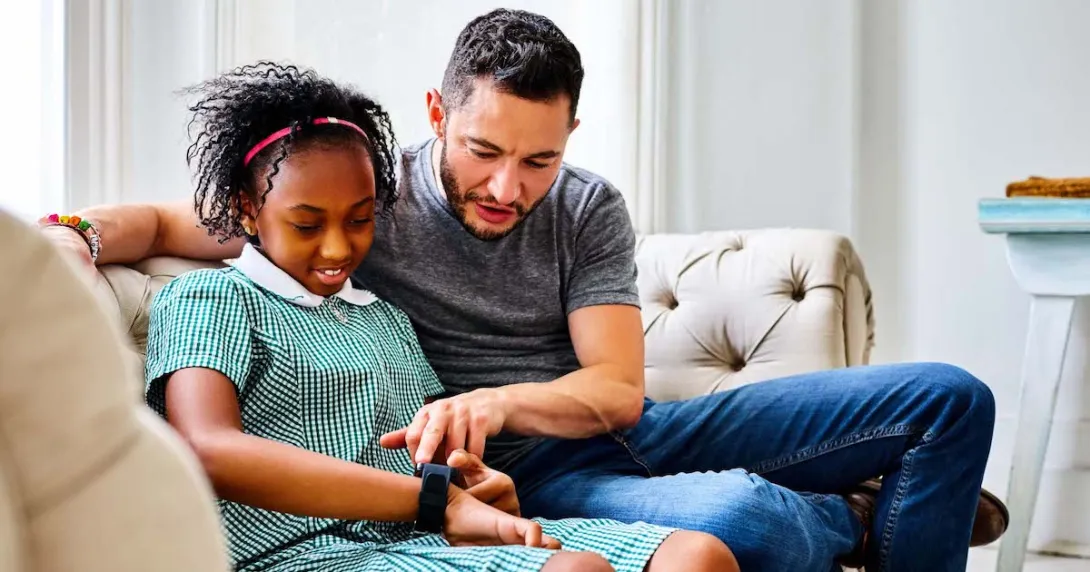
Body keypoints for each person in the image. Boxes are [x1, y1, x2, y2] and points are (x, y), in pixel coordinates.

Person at [42, 8, 1005, 572]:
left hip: (606, 425)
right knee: (745, 522)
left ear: (572, 136)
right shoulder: (361, 201)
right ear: (438, 117)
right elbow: (194, 220)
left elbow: (616, 391)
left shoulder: (581, 208)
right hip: (519, 471)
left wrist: (491, 401)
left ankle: (885, 497)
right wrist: (77, 235)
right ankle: (861, 516)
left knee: (949, 400)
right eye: (486, 152)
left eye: (539, 158)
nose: (509, 188)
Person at [127, 61, 738, 572]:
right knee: (576, 570)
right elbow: (207, 448)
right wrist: (433, 501)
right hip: (303, 554)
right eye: (308, 225)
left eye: (362, 219)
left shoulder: (385, 318)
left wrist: (472, 481)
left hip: (421, 538)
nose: (339, 248)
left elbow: (429, 459)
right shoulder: (210, 299)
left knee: (697, 557)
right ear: (246, 208)